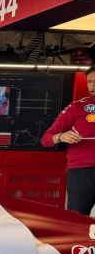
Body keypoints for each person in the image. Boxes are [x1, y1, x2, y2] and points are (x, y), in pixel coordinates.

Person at [41, 66, 95, 215]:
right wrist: (60, 137)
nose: (93, 85)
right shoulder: (77, 107)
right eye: (90, 81)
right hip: (81, 173)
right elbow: (46, 139)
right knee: (77, 218)